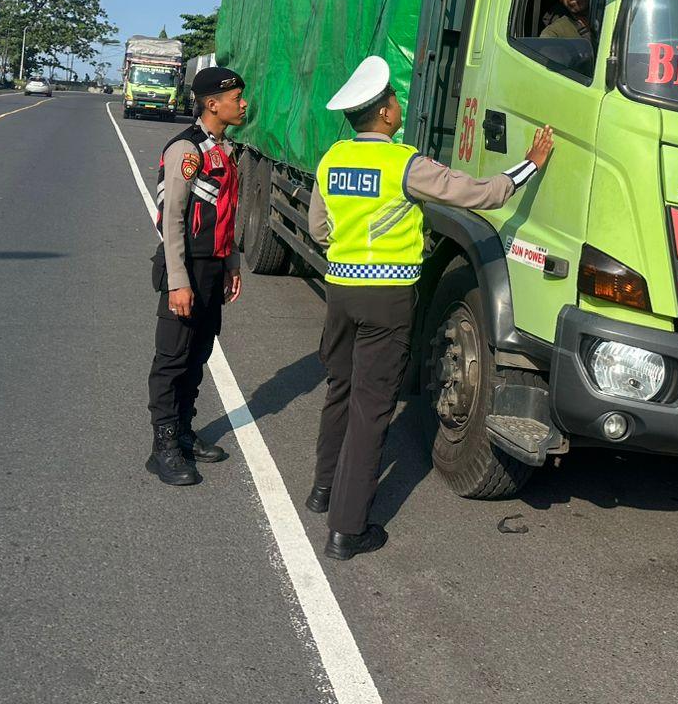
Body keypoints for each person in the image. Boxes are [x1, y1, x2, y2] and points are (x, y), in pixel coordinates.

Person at [306, 55, 554, 560]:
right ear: (383, 114)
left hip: (340, 291)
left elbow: (319, 230)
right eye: (393, 100)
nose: (398, 105)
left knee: (340, 389)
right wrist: (530, 164)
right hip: (387, 298)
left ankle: (323, 488)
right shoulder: (405, 164)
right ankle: (346, 529)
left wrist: (356, 247)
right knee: (373, 408)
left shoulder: (332, 160)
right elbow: (479, 194)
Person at [145, 65, 247, 487]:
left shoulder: (222, 148)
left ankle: (185, 430)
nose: (244, 103)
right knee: (172, 359)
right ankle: (163, 446)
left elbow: (224, 215)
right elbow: (172, 220)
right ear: (212, 104)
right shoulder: (186, 151)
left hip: (211, 268)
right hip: (185, 269)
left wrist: (232, 261)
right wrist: (178, 281)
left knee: (198, 355)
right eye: (236, 97)